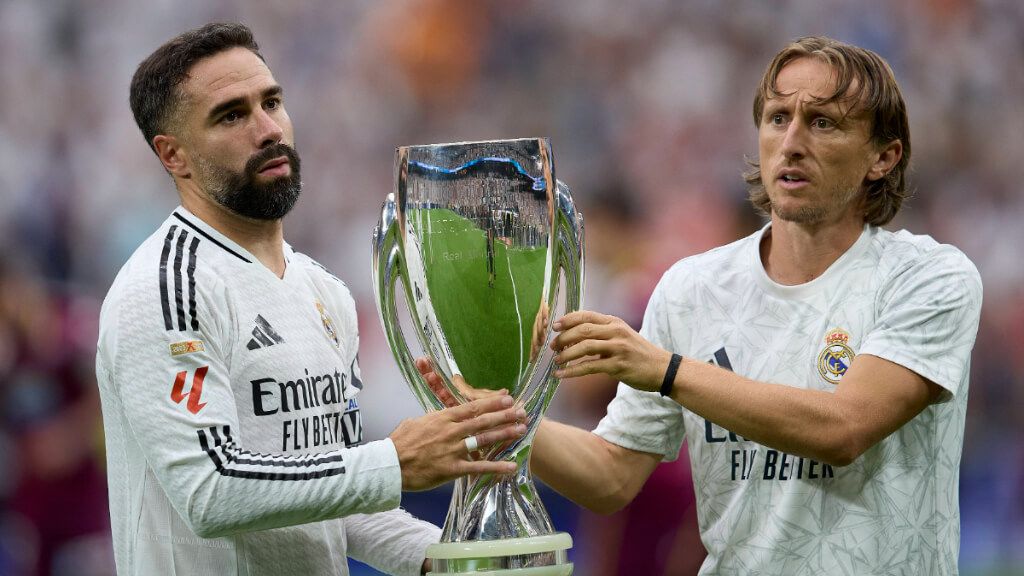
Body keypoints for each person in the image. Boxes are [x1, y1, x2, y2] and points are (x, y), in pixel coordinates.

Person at [533, 36, 983, 575]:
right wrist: (503, 419)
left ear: (883, 157)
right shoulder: (691, 289)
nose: (792, 141)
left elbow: (842, 430)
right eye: (777, 118)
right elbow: (610, 477)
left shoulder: (928, 278)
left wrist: (664, 369)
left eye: (823, 123)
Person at [95, 22, 526, 576]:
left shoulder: (324, 292)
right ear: (173, 155)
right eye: (232, 114)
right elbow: (210, 490)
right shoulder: (165, 288)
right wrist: (393, 462)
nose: (268, 128)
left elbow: (334, 501)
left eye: (271, 102)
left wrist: (461, 560)